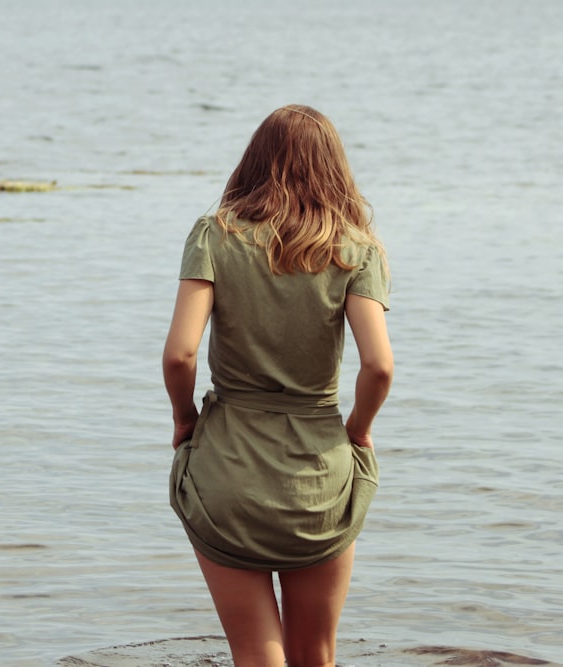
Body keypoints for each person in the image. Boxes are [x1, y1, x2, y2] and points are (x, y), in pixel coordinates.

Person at [163, 104, 393, 667]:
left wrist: (184, 420)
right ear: (334, 170)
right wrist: (359, 433)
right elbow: (380, 367)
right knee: (315, 654)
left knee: (254, 655)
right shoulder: (357, 251)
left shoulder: (213, 236)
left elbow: (180, 354)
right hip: (319, 475)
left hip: (227, 471)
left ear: (253, 162)